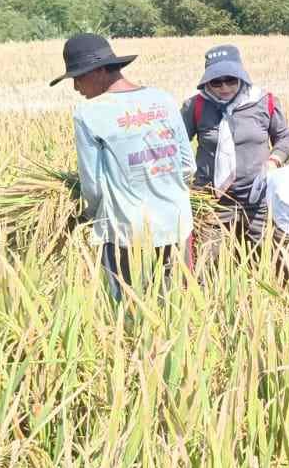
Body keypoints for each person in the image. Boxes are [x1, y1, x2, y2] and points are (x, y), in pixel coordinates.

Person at [51, 32, 194, 301]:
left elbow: (93, 186)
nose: (76, 87)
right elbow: (187, 166)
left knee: (129, 310)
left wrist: (88, 215)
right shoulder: (163, 99)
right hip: (177, 223)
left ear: (100, 71)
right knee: (177, 304)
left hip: (126, 231)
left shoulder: (88, 113)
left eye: (78, 77)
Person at [181, 44, 289, 244]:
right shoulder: (195, 106)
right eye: (216, 82)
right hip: (212, 201)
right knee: (209, 259)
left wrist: (274, 161)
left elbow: (284, 137)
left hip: (258, 198)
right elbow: (177, 144)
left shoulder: (263, 101)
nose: (224, 88)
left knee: (264, 254)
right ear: (207, 82)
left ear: (241, 77)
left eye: (231, 80)